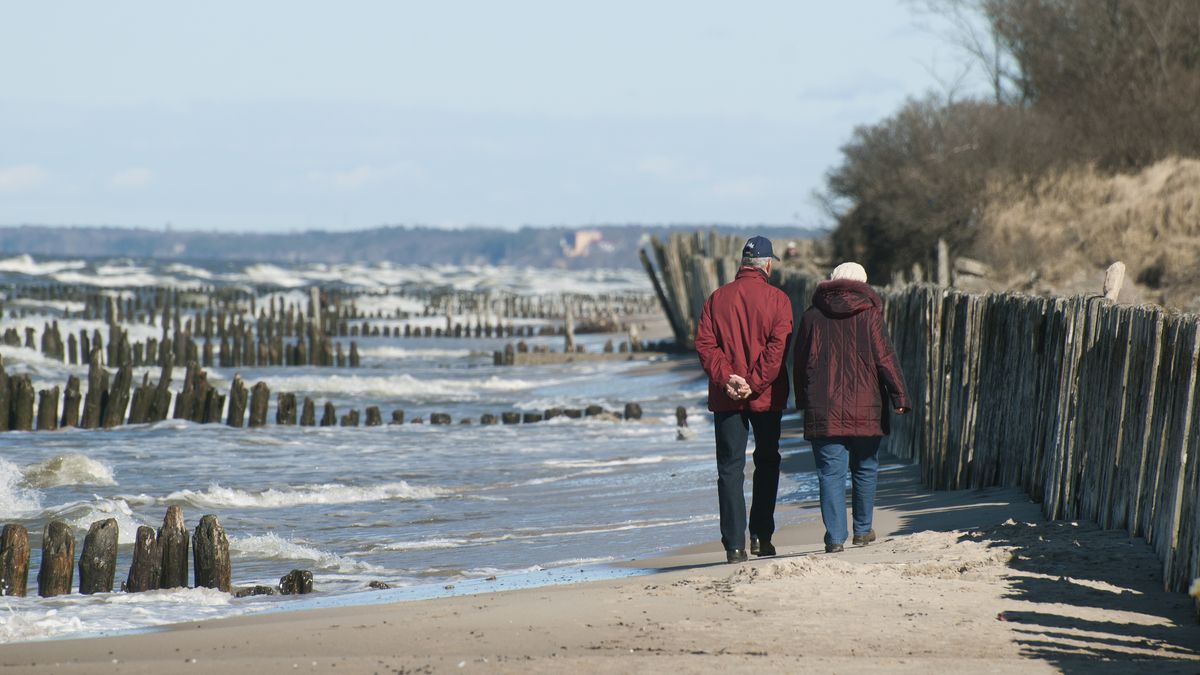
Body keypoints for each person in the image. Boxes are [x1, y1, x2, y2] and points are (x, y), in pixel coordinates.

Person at [793, 262, 910, 553]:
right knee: (865, 468)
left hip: (823, 406)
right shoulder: (870, 316)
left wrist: (802, 400)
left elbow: (799, 364)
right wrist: (900, 397)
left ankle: (834, 537)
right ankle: (862, 530)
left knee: (830, 473)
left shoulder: (811, 317)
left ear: (831, 281)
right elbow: (885, 359)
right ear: (863, 285)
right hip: (866, 404)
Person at [695, 236, 793, 563]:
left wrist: (728, 380)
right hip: (764, 395)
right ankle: (761, 536)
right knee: (767, 461)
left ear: (743, 264)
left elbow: (706, 346)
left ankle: (734, 545)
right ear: (767, 264)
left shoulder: (716, 298)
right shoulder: (778, 300)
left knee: (730, 468)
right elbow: (776, 350)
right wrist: (752, 383)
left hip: (728, 398)